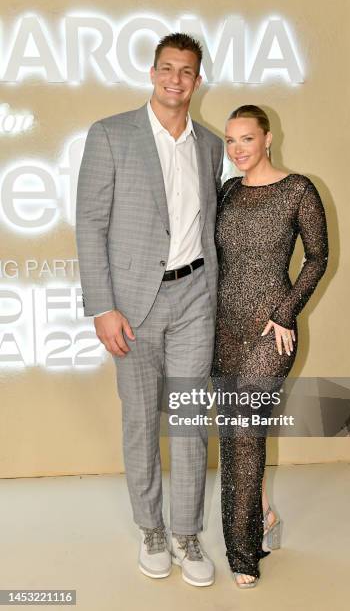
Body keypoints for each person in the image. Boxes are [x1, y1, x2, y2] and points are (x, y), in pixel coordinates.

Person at [75, 33, 224, 587]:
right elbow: (90, 223)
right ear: (152, 72)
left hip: (194, 300)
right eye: (167, 68)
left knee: (189, 420)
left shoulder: (209, 146)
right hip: (133, 305)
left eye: (186, 71)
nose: (175, 80)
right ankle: (151, 529)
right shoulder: (111, 135)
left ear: (197, 80)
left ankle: (186, 532)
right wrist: (102, 306)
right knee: (141, 419)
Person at [211, 105, 329, 587]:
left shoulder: (298, 189)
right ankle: (262, 514)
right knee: (236, 437)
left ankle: (242, 554)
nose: (238, 149)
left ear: (267, 139)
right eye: (230, 141)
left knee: (244, 433)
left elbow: (318, 257)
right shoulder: (227, 191)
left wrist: (286, 311)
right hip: (224, 329)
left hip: (269, 331)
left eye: (246, 139)